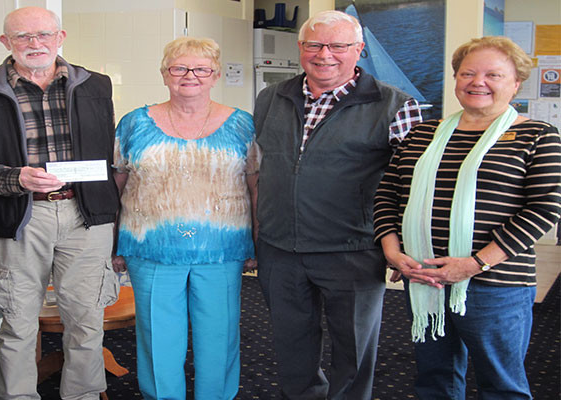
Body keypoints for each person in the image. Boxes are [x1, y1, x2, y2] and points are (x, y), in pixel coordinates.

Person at [374, 36, 561, 399]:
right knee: (435, 381)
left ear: (516, 83)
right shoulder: (422, 134)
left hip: (495, 285)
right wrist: (392, 251)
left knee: (501, 386)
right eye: (467, 73)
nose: (478, 82)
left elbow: (544, 209)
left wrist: (474, 264)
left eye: (493, 74)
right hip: (424, 279)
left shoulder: (537, 136)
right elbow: (388, 195)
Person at [0, 7, 120, 400]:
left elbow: (105, 151)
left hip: (85, 215)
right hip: (17, 216)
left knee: (87, 320)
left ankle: (83, 395)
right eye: (23, 36)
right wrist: (18, 178)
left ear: (60, 37)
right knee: (17, 323)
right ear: (5, 42)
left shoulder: (96, 85)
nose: (35, 43)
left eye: (44, 34)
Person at [254, 10, 422, 400]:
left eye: (338, 46)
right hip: (280, 249)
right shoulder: (270, 98)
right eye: (314, 44)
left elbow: (411, 186)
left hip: (353, 251)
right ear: (300, 48)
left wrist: (403, 246)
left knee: (354, 352)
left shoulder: (396, 105)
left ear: (359, 50)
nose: (324, 54)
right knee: (292, 348)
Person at [112, 37, 259, 400]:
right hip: (150, 248)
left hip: (222, 249)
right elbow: (116, 185)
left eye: (201, 69)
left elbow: (256, 186)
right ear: (164, 74)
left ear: (216, 75)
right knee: (158, 338)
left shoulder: (243, 124)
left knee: (219, 337)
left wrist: (256, 241)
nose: (190, 75)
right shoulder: (133, 124)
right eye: (179, 68)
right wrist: (113, 242)